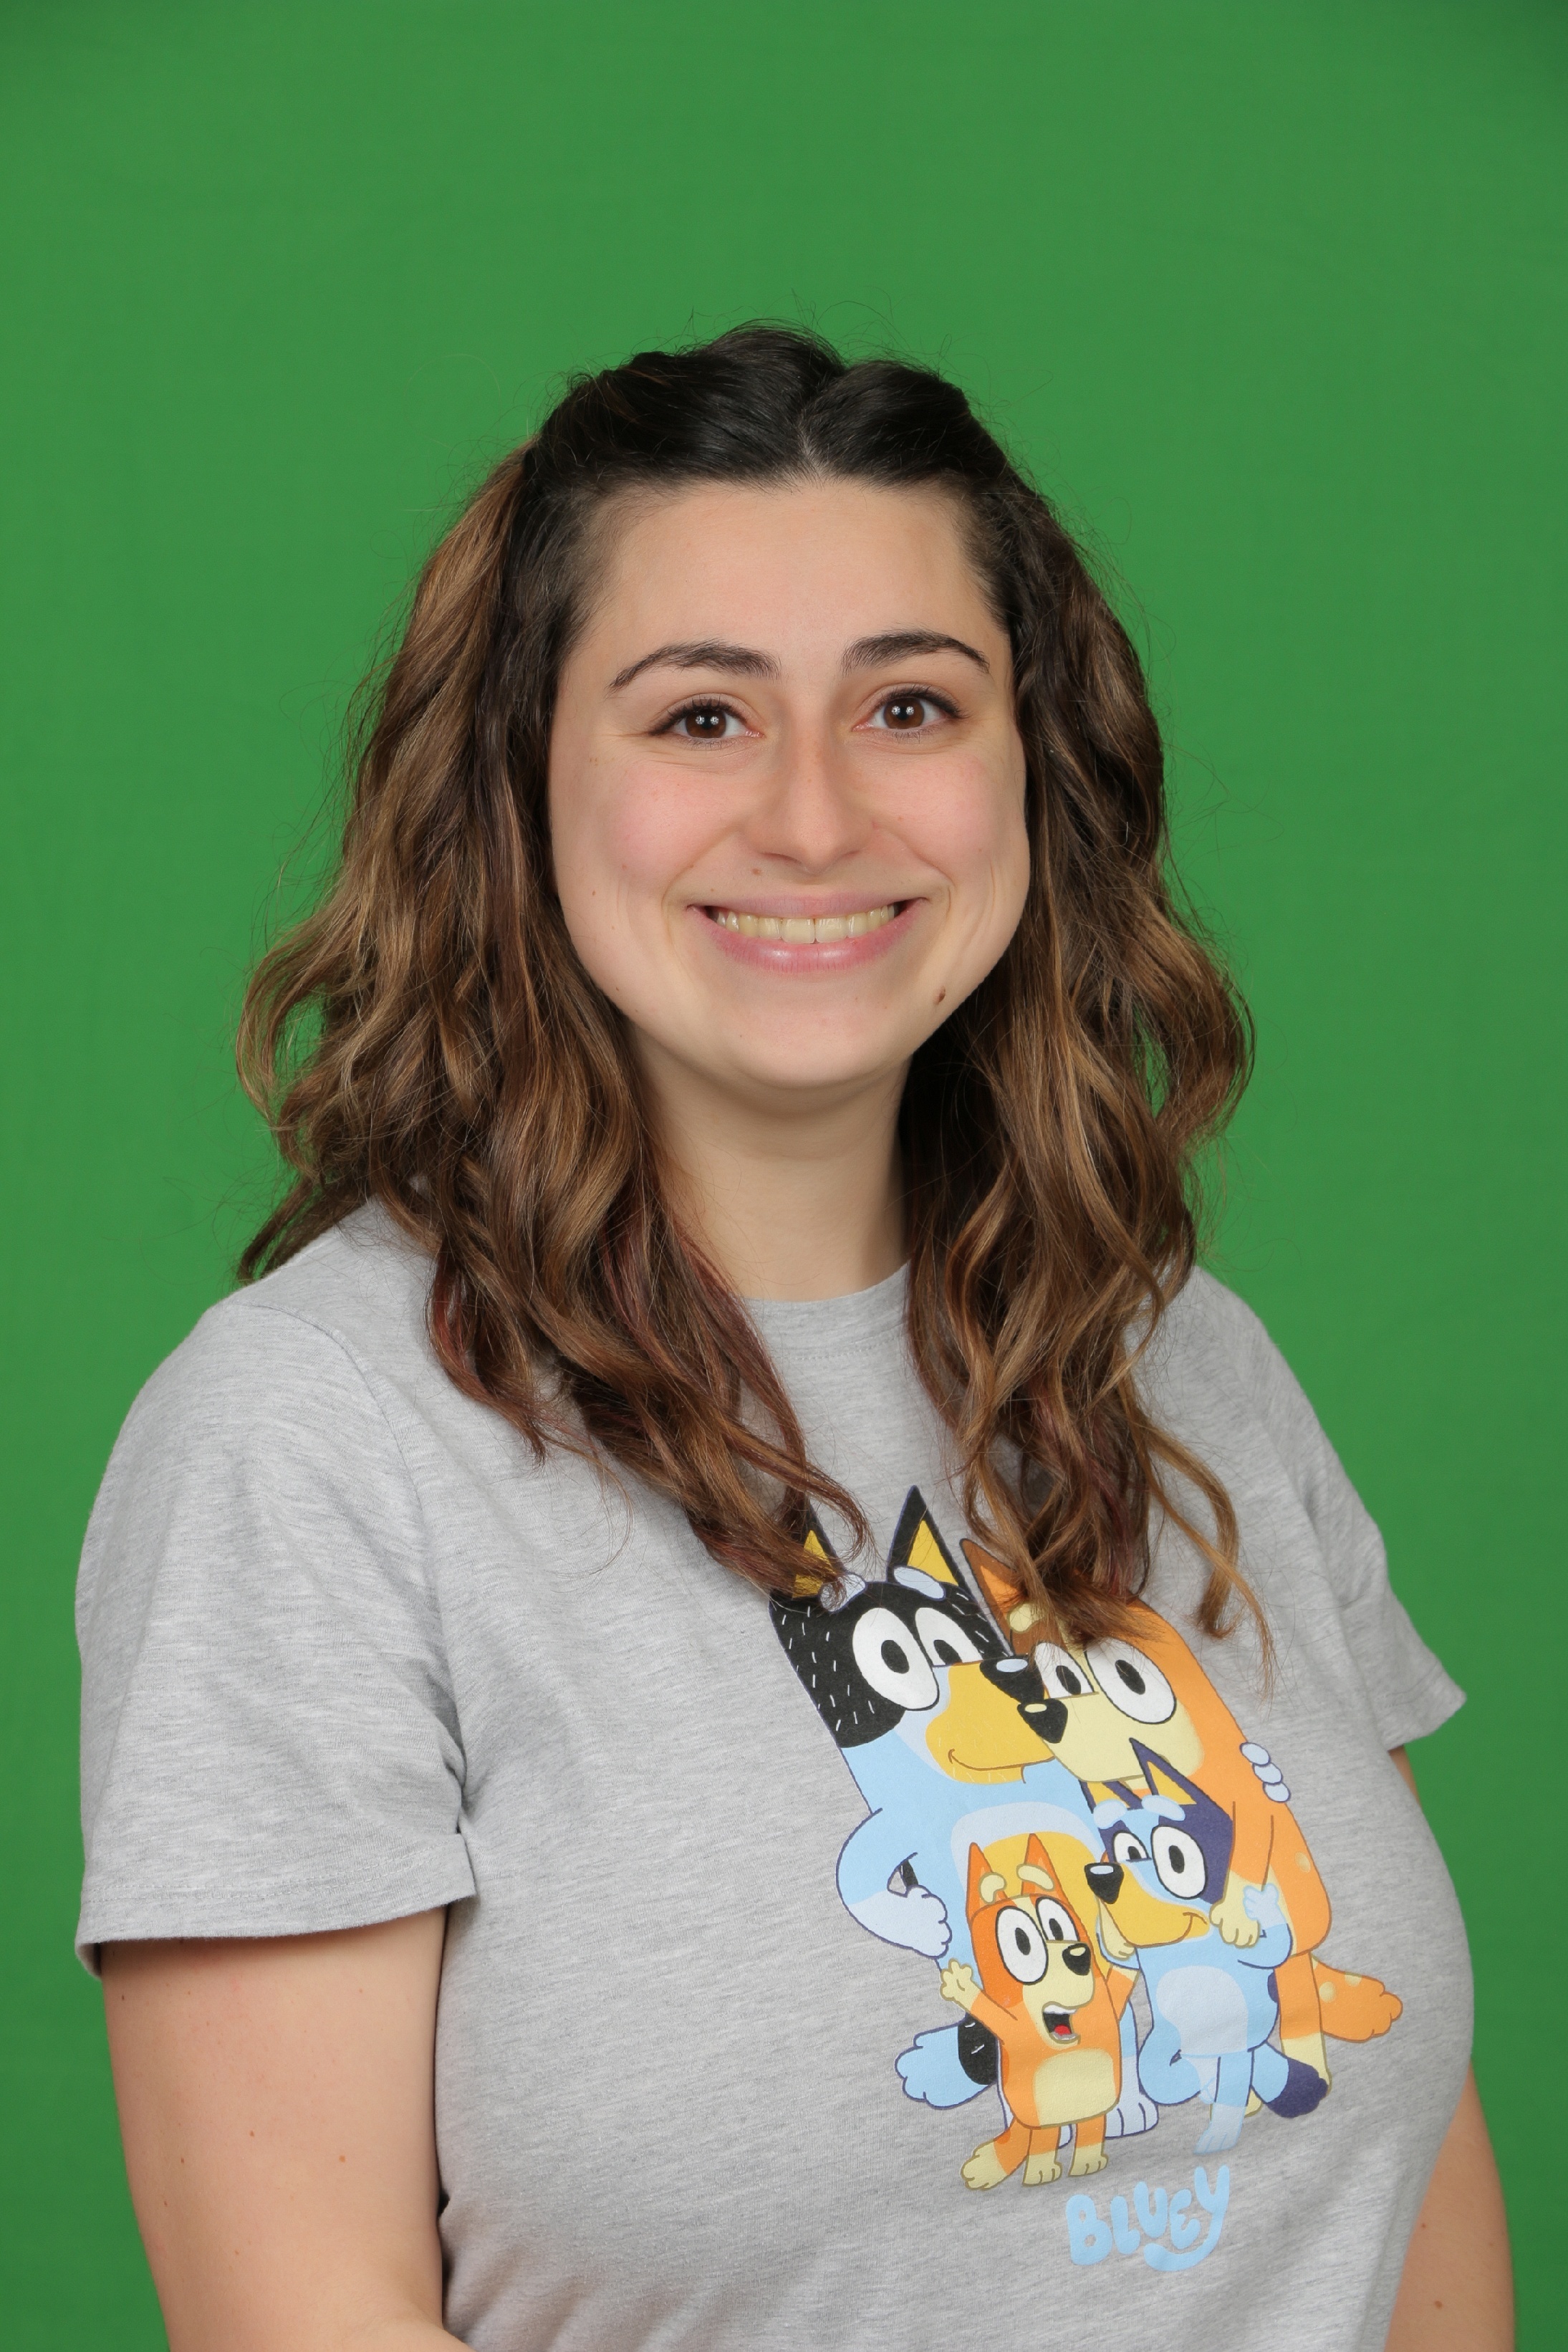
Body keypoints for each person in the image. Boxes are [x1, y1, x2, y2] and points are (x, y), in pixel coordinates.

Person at [78, 327, 1511, 2351]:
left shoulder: (1179, 1356)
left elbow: (1407, 2173)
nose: (817, 817)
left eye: (910, 704)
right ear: (520, 783)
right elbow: (305, 2315)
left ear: (1033, 770)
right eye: (701, 717)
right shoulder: (309, 1440)